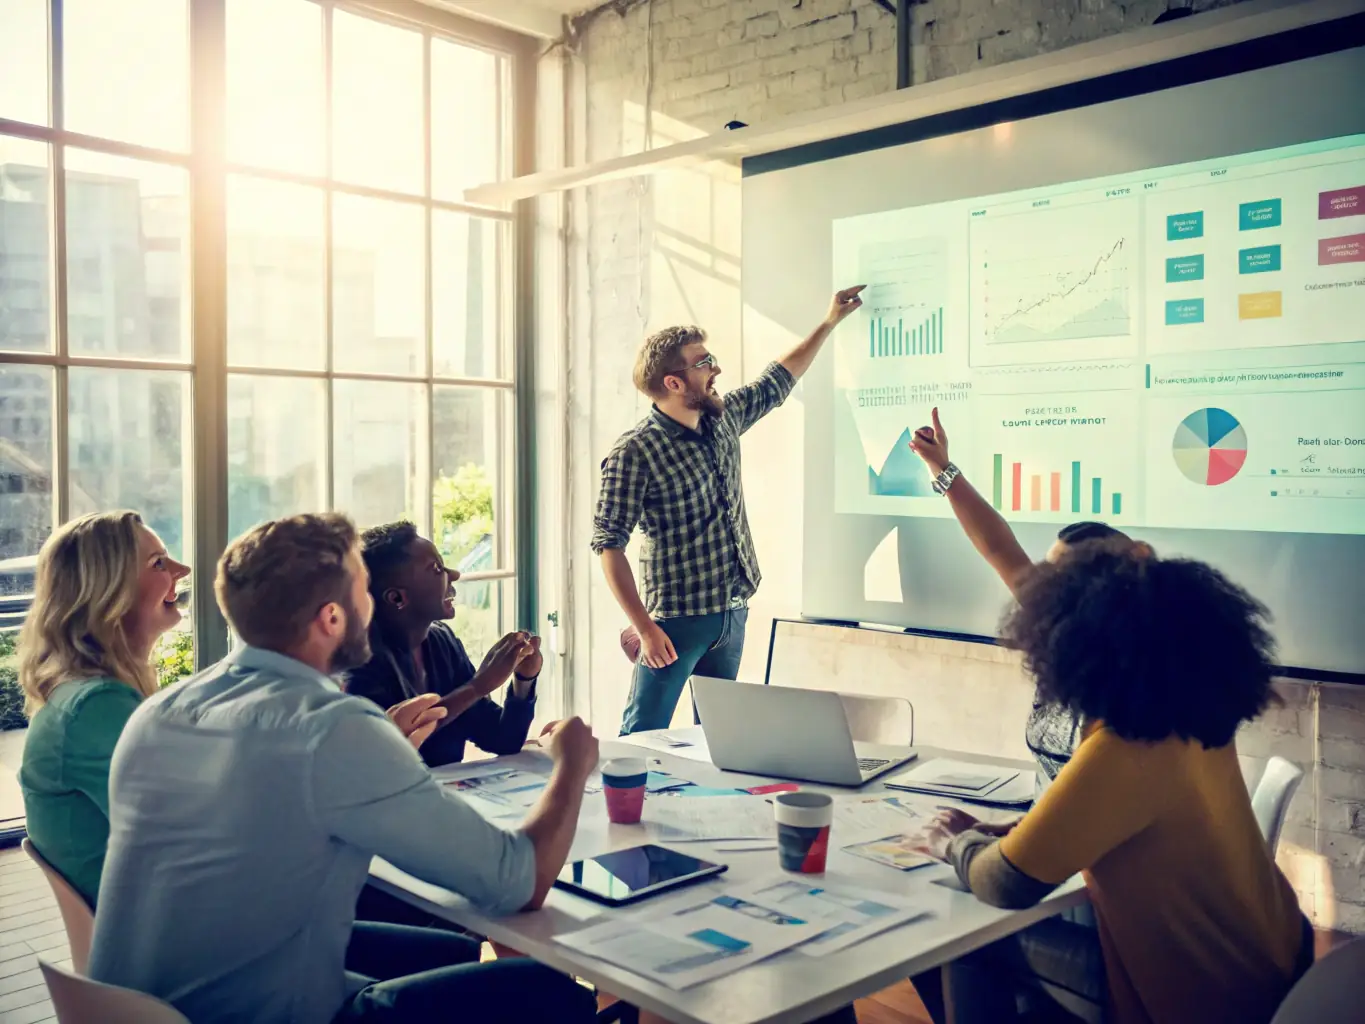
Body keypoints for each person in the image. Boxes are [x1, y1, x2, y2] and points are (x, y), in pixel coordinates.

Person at [88, 513, 599, 1024]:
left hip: (140, 1011)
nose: (371, 606)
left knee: (449, 952)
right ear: (332, 618)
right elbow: (519, 881)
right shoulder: (331, 726)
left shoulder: (157, 713)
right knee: (550, 991)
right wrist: (572, 764)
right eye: (362, 592)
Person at [910, 540, 1312, 1024]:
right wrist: (1014, 834)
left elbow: (1003, 884)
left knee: (960, 939)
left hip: (1209, 997)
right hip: (1280, 964)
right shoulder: (1195, 718)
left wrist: (953, 843)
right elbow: (1133, 825)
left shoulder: (1121, 751)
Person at [594, 286, 866, 735]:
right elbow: (609, 546)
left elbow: (777, 380)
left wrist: (829, 321)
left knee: (718, 737)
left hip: (733, 612)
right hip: (677, 621)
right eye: (704, 362)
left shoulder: (722, 418)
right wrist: (644, 628)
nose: (715, 368)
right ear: (674, 383)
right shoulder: (635, 452)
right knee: (642, 734)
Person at [909, 408, 1145, 782]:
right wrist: (941, 467)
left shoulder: (1140, 679)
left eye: (1059, 578)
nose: (1043, 585)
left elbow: (1100, 801)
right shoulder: (1060, 621)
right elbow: (997, 545)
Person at [17, 510, 189, 906]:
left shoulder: (82, 695)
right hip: (160, 930)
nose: (182, 570)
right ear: (107, 593)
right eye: (158, 563)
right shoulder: (96, 707)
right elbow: (184, 835)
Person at [343, 521, 541, 768]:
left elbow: (503, 739)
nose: (453, 575)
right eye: (436, 569)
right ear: (397, 598)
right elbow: (389, 750)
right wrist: (478, 686)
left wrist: (523, 680)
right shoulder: (357, 664)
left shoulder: (441, 642)